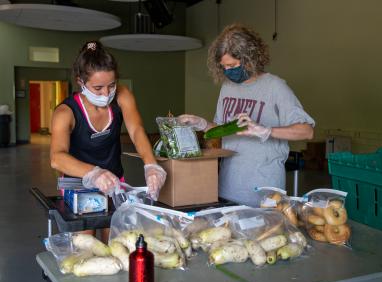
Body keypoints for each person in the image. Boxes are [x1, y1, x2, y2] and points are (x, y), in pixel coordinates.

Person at [178, 24, 315, 207]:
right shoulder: (227, 87)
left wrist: (266, 131)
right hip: (227, 189)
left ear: (249, 58)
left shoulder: (275, 87)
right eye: (224, 67)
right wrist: (202, 124)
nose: (228, 71)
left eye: (232, 65)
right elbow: (221, 130)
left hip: (265, 193)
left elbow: (306, 131)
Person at [50, 40, 166, 239]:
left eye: (111, 85)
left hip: (114, 182)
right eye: (98, 87)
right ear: (80, 82)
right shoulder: (65, 112)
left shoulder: (122, 96)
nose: (106, 93)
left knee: (116, 241)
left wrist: (151, 165)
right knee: (86, 244)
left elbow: (136, 129)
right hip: (78, 186)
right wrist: (93, 173)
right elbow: (57, 158)